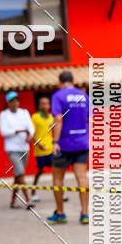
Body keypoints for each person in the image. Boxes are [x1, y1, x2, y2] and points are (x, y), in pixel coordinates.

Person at [48, 69, 90, 224]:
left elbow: (58, 119)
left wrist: (55, 142)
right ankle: (84, 213)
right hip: (82, 142)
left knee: (58, 178)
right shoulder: (84, 96)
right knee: (82, 176)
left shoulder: (58, 96)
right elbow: (89, 119)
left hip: (64, 144)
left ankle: (60, 213)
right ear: (73, 81)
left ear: (60, 82)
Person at [0, 91, 35, 209]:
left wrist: (30, 135)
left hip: (24, 148)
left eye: (16, 100)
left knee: (18, 176)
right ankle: (29, 200)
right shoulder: (4, 115)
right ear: (8, 103)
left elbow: (31, 128)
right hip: (12, 149)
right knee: (20, 172)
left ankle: (13, 202)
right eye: (11, 101)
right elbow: (4, 132)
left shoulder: (24, 113)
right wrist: (18, 131)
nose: (14, 103)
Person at [31, 95, 54, 201]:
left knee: (56, 171)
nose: (46, 105)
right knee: (40, 171)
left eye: (47, 103)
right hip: (40, 150)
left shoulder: (51, 117)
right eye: (43, 103)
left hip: (50, 148)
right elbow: (31, 134)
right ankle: (33, 192)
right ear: (39, 106)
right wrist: (38, 144)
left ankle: (60, 193)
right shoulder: (35, 117)